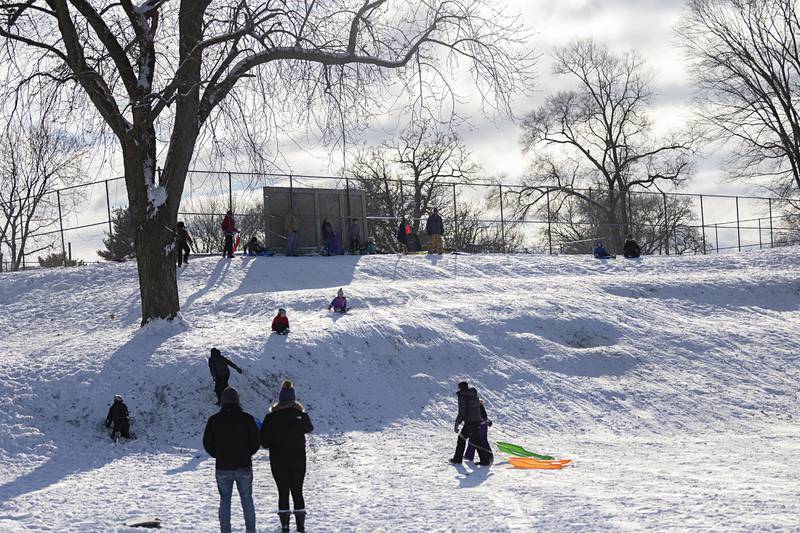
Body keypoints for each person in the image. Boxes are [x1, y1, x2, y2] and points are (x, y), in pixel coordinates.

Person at [203, 387, 260, 533]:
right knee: (247, 500)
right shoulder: (247, 418)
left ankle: (225, 530)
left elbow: (207, 443)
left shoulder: (214, 420)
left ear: (222, 401)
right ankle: (251, 530)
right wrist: (248, 453)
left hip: (223, 467)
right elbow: (255, 441)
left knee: (225, 501)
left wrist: (218, 454)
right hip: (244, 465)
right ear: (237, 400)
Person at [260, 380, 314, 533]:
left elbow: (263, 441)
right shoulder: (300, 415)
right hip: (298, 460)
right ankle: (301, 527)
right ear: (293, 399)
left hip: (278, 461)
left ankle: (285, 527)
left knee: (283, 492)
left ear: (280, 399)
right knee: (298, 491)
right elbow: (309, 428)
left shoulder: (271, 418)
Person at [449, 381, 492, 466]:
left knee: (473, 441)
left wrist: (457, 424)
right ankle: (484, 460)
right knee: (467, 439)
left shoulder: (463, 396)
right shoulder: (473, 394)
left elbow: (462, 411)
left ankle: (484, 460)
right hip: (475, 421)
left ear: (460, 388)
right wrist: (484, 418)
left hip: (470, 422)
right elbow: (479, 407)